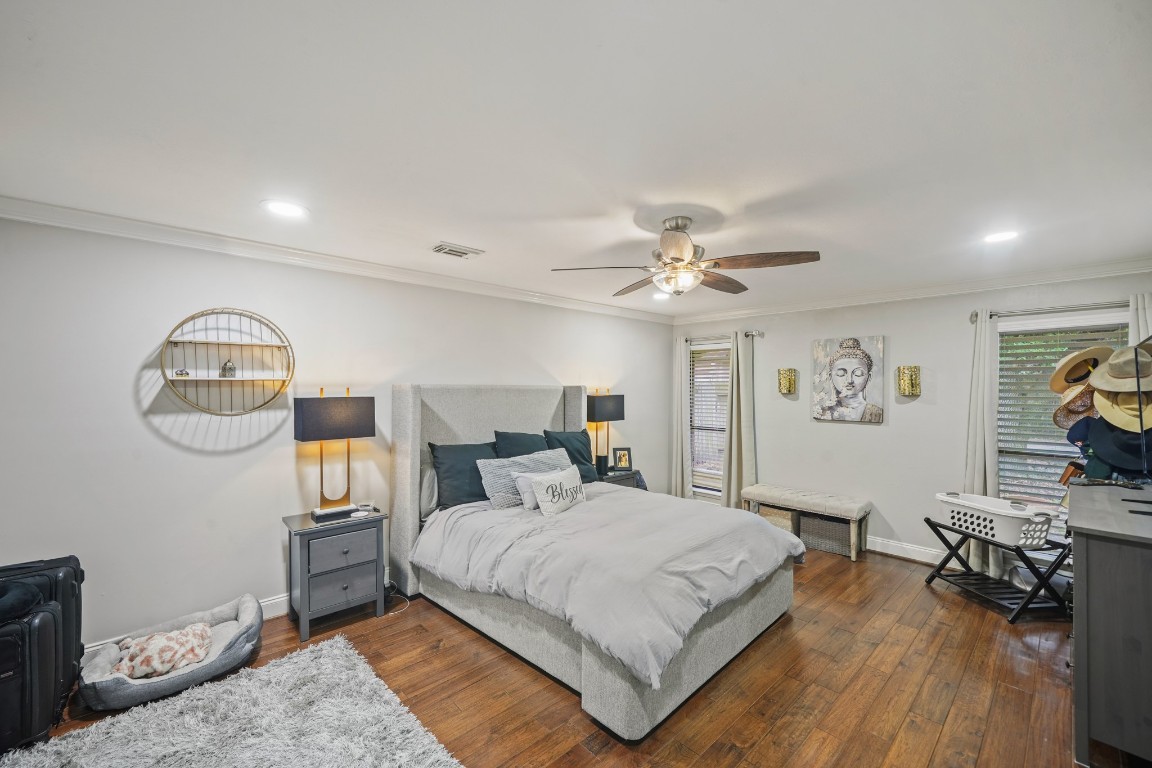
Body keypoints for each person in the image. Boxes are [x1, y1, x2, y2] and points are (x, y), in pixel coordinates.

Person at [817, 338, 884, 422]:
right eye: (841, 373)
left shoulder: (879, 414)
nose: (849, 380)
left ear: (869, 377)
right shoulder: (820, 413)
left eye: (858, 373)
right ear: (830, 377)